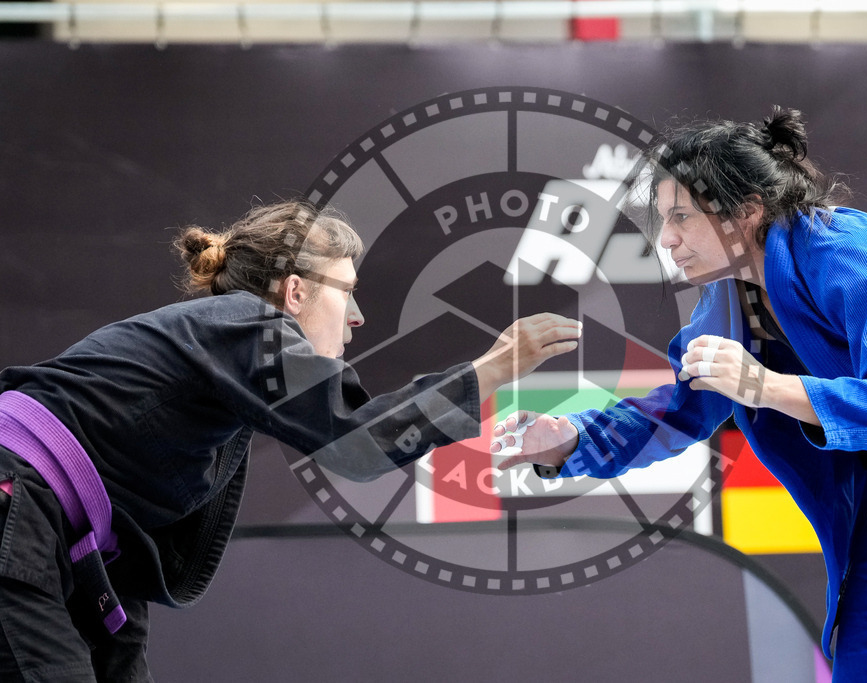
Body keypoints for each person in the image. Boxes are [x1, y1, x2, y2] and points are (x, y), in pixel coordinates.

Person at [493, 107, 867, 681]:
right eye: (662, 219)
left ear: (746, 212)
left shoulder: (844, 250)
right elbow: (682, 406)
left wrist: (765, 385)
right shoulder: (730, 299)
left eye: (682, 217)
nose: (666, 239)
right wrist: (572, 439)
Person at [0, 200, 582, 681]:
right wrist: (490, 370)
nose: (357, 317)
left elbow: (120, 578)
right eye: (346, 290)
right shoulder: (248, 323)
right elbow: (358, 442)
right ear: (295, 291)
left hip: (49, 529)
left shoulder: (218, 359)